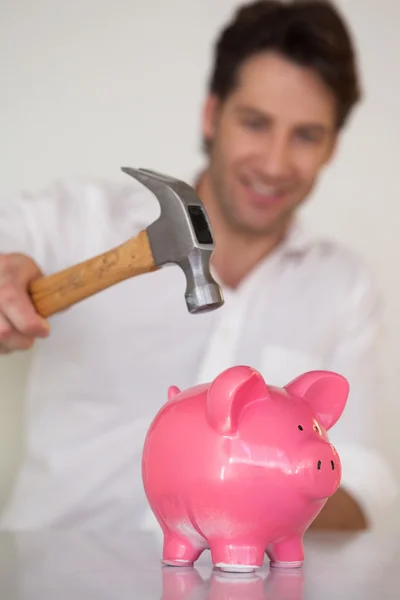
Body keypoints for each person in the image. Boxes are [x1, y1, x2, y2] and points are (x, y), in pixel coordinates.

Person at [0, 0, 397, 532]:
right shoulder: (77, 224)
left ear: (331, 148)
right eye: (256, 123)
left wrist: (265, 481)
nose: (276, 164)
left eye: (306, 135)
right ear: (212, 115)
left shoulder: (344, 288)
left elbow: (363, 490)